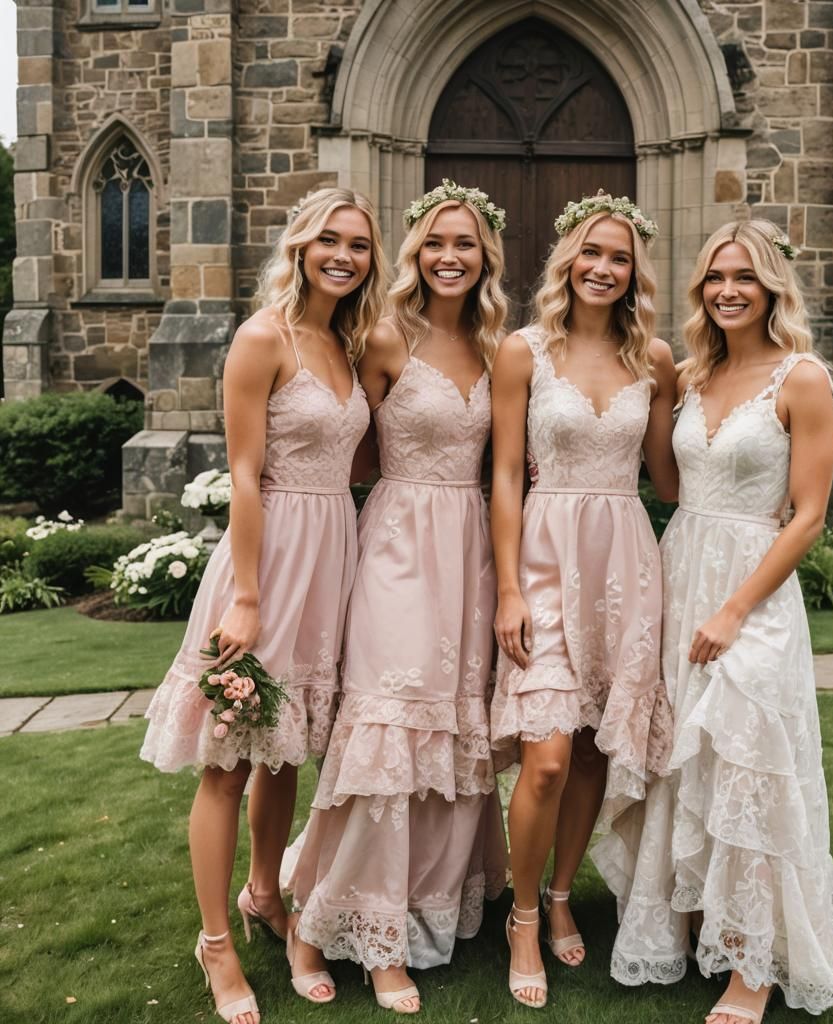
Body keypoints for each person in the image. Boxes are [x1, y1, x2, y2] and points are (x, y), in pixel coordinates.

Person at [593, 220, 833, 1023]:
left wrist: (736, 608)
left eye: (744, 276)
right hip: (681, 569)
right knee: (681, 758)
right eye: (715, 277)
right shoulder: (692, 373)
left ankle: (753, 965)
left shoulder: (802, 377)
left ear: (772, 285)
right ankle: (679, 919)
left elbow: (810, 515)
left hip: (751, 589)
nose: (727, 290)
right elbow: (671, 487)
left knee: (748, 755)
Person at [140, 187, 388, 1023]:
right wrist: (245, 598)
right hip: (269, 559)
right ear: (301, 245)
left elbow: (355, 463)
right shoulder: (262, 338)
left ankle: (263, 894)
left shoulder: (346, 346)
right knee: (228, 762)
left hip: (331, 562)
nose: (343, 255)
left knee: (284, 754)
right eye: (330, 240)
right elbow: (245, 473)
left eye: (358, 244)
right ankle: (217, 946)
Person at [284, 181, 510, 1015]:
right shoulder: (381, 339)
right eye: (434, 243)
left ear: (486, 256)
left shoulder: (496, 346)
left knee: (449, 732)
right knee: (387, 729)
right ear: (413, 252)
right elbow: (348, 449)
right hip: (396, 545)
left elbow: (507, 464)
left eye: (466, 243)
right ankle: (338, 929)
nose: (450, 257)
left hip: (468, 548)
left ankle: (423, 903)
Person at [489, 193, 677, 1009]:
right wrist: (505, 588)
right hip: (544, 556)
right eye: (592, 253)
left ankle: (564, 892)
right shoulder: (522, 351)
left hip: (626, 561)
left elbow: (670, 478)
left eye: (621, 257)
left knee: (598, 747)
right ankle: (523, 916)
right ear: (567, 261)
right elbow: (500, 475)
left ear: (636, 272)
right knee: (548, 757)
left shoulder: (657, 361)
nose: (605, 268)